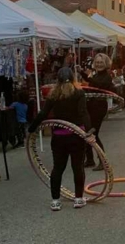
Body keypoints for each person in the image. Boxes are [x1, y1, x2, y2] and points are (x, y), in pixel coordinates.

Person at [28, 68, 94, 211]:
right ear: (73, 79)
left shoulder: (53, 95)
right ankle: (78, 198)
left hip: (59, 137)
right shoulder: (79, 93)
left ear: (56, 80)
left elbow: (43, 114)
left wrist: (31, 129)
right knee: (77, 167)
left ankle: (55, 201)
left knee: (58, 168)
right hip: (76, 136)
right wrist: (90, 132)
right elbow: (84, 113)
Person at [80, 53, 114, 171]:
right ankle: (89, 160)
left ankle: (103, 161)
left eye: (101, 62)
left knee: (94, 134)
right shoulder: (96, 74)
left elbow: (100, 86)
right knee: (87, 132)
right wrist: (81, 73)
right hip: (91, 105)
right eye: (97, 62)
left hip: (99, 107)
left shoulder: (107, 76)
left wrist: (88, 78)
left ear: (106, 64)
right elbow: (92, 84)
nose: (99, 64)